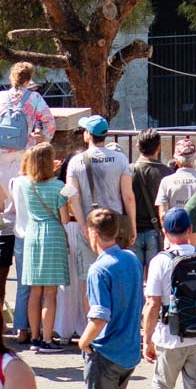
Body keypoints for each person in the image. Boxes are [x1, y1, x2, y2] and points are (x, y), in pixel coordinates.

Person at [143, 205, 196, 389]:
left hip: (169, 337)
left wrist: (147, 340)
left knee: (162, 385)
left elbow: (152, 304)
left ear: (165, 232)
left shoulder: (160, 261)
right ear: (189, 229)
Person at [80, 207, 144, 389]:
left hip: (106, 352)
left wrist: (84, 342)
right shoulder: (131, 258)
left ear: (93, 233)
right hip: (129, 352)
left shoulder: (98, 270)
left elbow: (100, 316)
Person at [23, 142, 77, 350]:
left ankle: (34, 338)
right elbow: (64, 219)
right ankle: (46, 339)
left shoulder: (26, 184)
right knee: (51, 293)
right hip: (52, 236)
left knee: (35, 292)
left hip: (32, 235)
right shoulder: (58, 187)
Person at [68, 117, 137, 246]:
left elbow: (72, 197)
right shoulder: (121, 159)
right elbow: (128, 196)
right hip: (114, 223)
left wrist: (83, 227)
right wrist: (132, 225)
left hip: (90, 223)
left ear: (88, 134)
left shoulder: (75, 162)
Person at [0, 66, 55, 197]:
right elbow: (49, 121)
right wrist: (44, 139)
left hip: (1, 148)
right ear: (29, 79)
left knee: (3, 188)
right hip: (24, 148)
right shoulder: (34, 97)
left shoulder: (1, 96)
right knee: (21, 187)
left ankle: (7, 215)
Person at [131, 131, 169, 274]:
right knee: (156, 279)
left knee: (135, 279)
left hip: (133, 231)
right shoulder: (167, 173)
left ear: (137, 147)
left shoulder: (129, 171)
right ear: (158, 148)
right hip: (156, 231)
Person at [157, 142, 196, 219]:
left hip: (175, 228)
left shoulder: (166, 181)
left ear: (176, 160)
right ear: (194, 159)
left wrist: (166, 229)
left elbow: (163, 214)